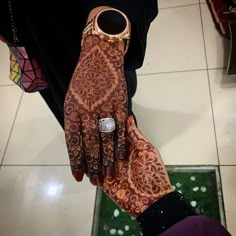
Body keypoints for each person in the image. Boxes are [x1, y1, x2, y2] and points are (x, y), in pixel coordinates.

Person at [0, 0, 232, 235]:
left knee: (113, 115)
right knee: (70, 111)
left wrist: (102, 40)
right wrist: (161, 210)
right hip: (34, 47)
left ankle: (120, 132)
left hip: (84, 32)